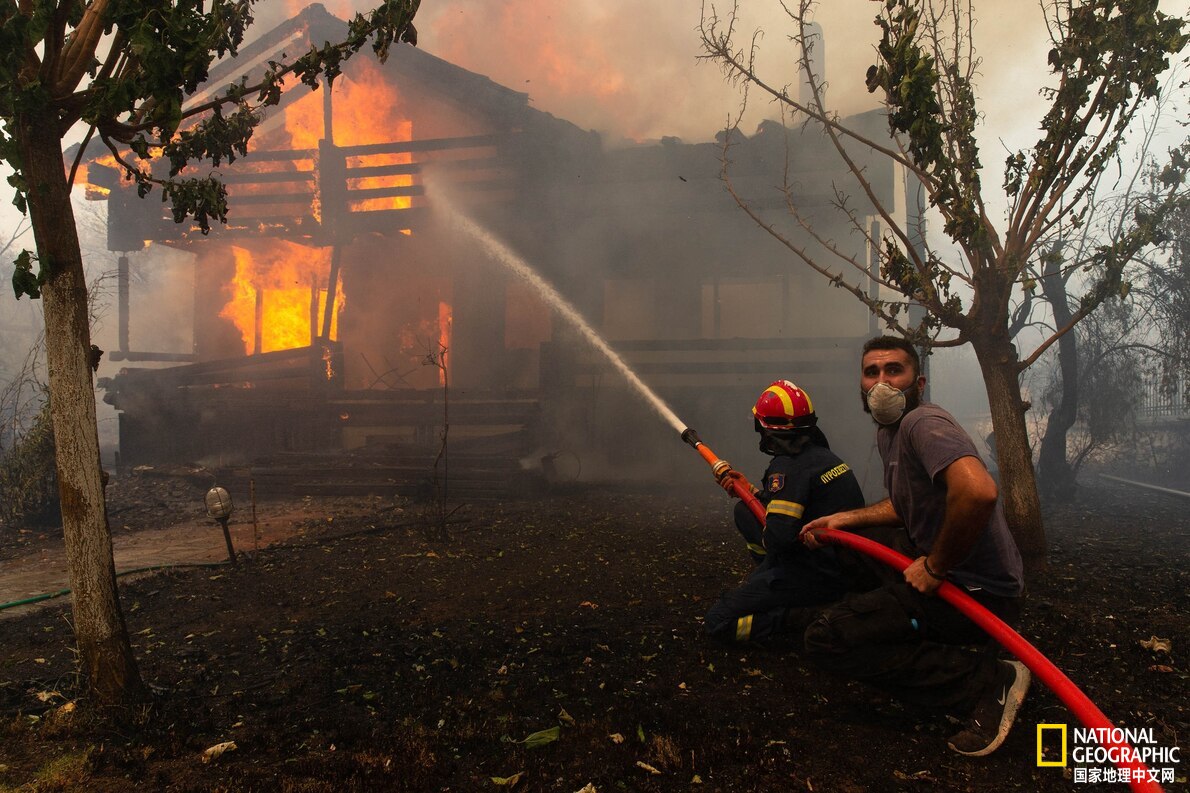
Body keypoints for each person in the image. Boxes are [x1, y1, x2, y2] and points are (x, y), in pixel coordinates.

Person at [798, 335, 1029, 757]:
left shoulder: (923, 424)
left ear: (918, 383)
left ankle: (986, 680)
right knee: (851, 545)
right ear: (861, 385)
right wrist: (843, 519)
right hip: (952, 573)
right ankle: (888, 627)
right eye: (872, 372)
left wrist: (936, 566)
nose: (882, 382)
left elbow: (977, 492)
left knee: (824, 639)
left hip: (977, 595)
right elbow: (909, 503)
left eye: (894, 370)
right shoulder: (892, 431)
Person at [704, 379, 866, 646]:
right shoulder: (821, 457)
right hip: (846, 565)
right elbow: (793, 504)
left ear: (769, 430)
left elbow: (779, 537)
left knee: (719, 621)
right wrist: (751, 492)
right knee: (745, 511)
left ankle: (798, 617)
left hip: (818, 573)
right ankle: (771, 573)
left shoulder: (788, 467)